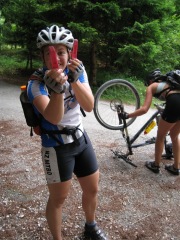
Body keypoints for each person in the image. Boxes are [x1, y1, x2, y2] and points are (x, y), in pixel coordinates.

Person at [27, 25, 108, 240]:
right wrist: (56, 91)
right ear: (43, 57)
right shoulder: (35, 85)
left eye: (61, 52)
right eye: (49, 53)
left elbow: (89, 106)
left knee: (92, 188)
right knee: (58, 199)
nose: (56, 58)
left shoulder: (78, 72)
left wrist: (74, 80)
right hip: (56, 147)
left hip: (81, 139)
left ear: (69, 53)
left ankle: (90, 227)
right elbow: (53, 118)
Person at [120, 69, 180, 175]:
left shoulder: (152, 87)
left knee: (160, 137)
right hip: (176, 102)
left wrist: (128, 115)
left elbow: (144, 109)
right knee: (174, 136)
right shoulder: (171, 84)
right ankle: (176, 167)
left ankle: (156, 165)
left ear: (151, 80)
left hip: (175, 103)